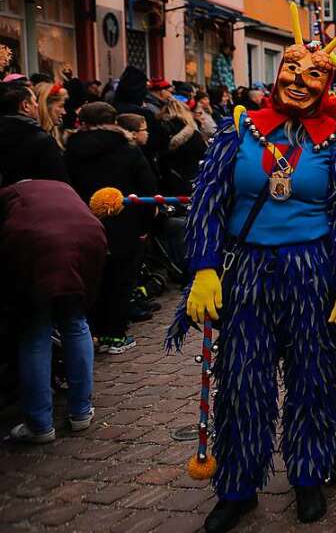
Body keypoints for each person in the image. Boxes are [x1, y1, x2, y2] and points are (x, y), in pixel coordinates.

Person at [171, 4, 336, 532]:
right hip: (249, 270)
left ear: (327, 85)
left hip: (311, 272)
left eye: (314, 76)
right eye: (292, 72)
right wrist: (205, 269)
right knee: (243, 380)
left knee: (313, 379)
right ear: (277, 73)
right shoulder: (240, 130)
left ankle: (308, 475)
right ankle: (237, 485)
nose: (300, 83)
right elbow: (208, 202)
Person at [1, 178, 107, 442]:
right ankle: (81, 411)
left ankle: (39, 423)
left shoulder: (9, 196)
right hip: (87, 238)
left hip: (34, 246)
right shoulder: (62, 188)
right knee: (75, 323)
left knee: (35, 332)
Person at [65, 102, 156, 354]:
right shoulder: (128, 149)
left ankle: (90, 334)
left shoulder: (71, 150)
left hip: (83, 221)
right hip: (124, 224)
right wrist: (145, 225)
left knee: (90, 280)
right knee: (120, 281)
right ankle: (114, 335)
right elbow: (147, 189)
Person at [0, 82, 68, 185]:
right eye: (35, 101)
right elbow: (59, 184)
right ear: (25, 105)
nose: (37, 105)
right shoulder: (41, 140)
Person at [158, 97, 208, 196]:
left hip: (167, 180)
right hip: (191, 179)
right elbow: (204, 154)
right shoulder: (193, 133)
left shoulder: (159, 129)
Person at [32, 81, 69, 149]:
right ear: (46, 107)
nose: (64, 112)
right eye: (61, 106)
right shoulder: (40, 140)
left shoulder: (55, 133)